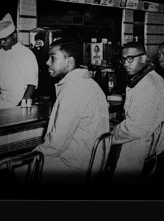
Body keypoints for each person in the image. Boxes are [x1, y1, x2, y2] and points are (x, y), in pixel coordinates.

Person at [35, 40, 111, 182]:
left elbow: (56, 144)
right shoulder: (90, 84)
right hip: (91, 164)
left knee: (12, 171)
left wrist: (31, 156)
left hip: (73, 167)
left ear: (69, 61)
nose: (47, 62)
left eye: (53, 57)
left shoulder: (74, 89)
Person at [112, 42, 164, 177]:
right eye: (123, 59)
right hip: (149, 149)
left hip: (136, 151)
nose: (126, 64)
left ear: (143, 58)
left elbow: (133, 128)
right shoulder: (155, 78)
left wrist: (111, 135)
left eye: (130, 59)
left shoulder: (146, 85)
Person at [0, 14, 38, 110]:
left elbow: (31, 85)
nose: (2, 43)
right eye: (0, 40)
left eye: (5, 40)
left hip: (20, 103)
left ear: (14, 35)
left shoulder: (26, 54)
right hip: (1, 105)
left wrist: (21, 107)